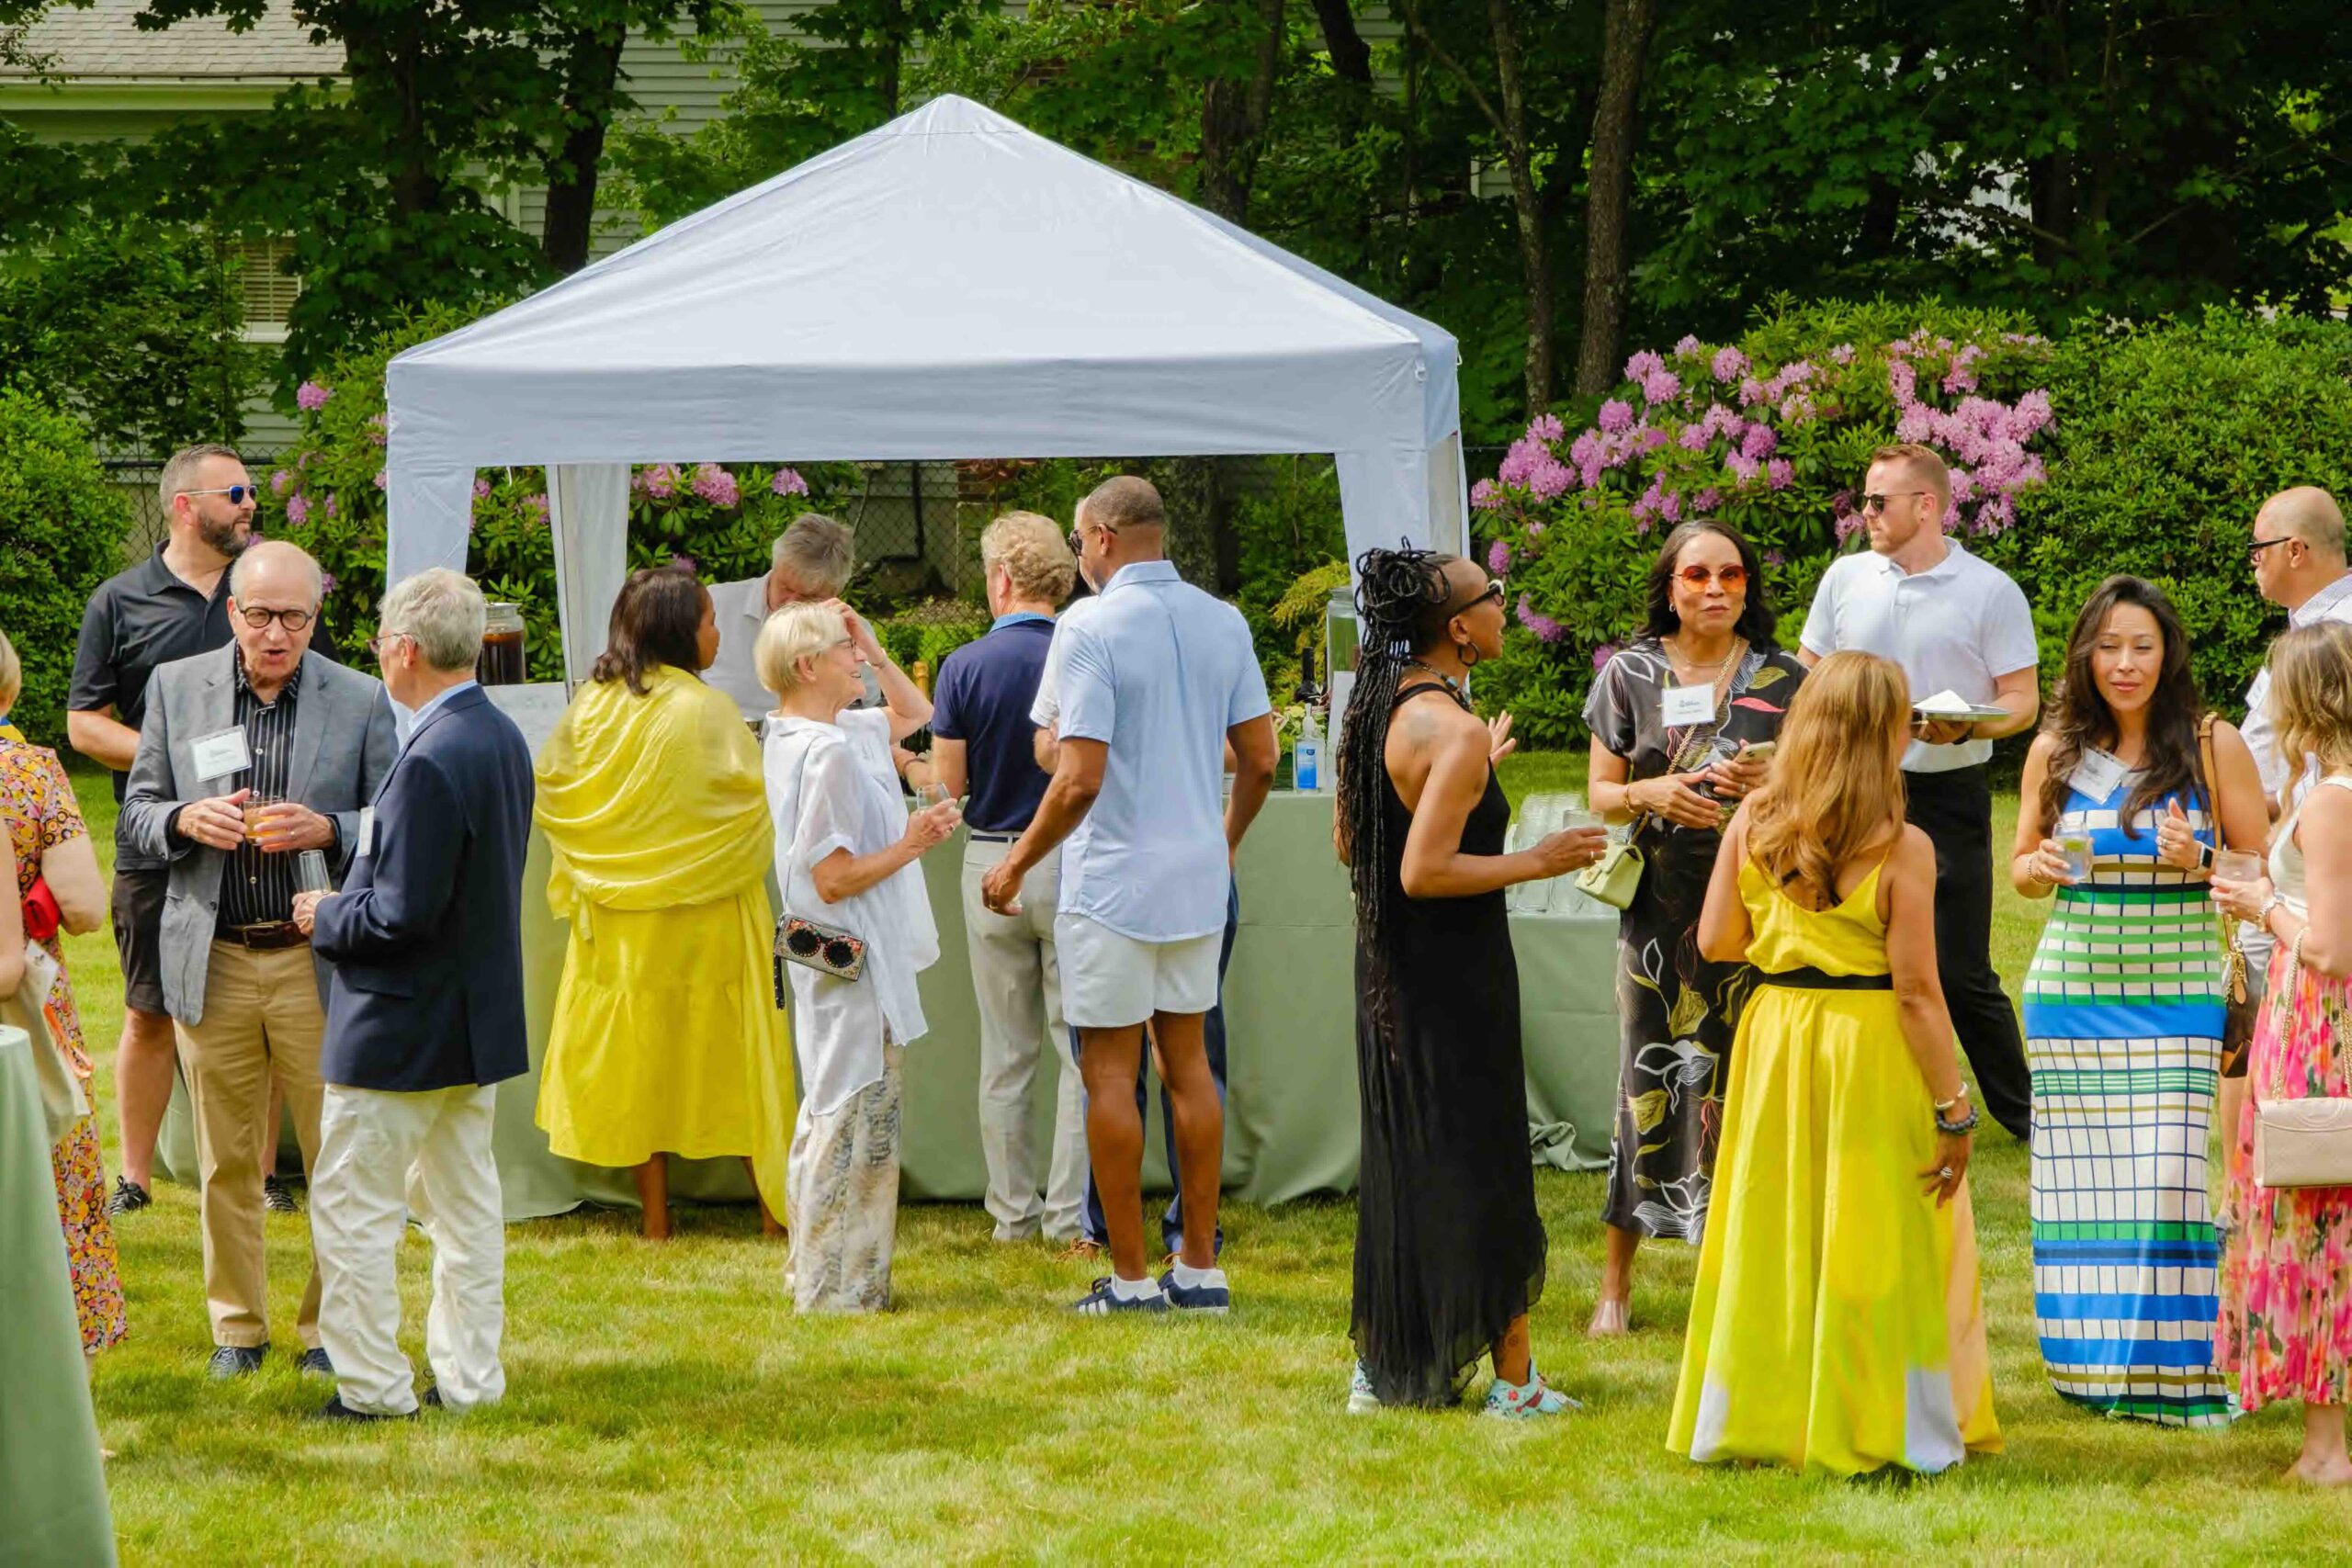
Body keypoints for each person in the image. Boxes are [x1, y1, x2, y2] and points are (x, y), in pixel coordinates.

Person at [1671, 650, 2001, 1475]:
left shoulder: (1753, 821)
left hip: (1776, 1034)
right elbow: (1918, 992)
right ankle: (1879, 1413)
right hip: (1867, 1040)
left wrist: (1791, 937)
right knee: (1879, 1226)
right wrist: (1955, 1106)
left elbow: (1717, 940)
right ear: (1884, 734)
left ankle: (1762, 1410)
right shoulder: (1903, 845)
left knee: (1775, 1222)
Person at [980, 476, 1277, 1314]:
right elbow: (1260, 758)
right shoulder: (1224, 619)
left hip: (1112, 880)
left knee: (1108, 1072)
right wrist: (1225, 840)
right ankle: (1201, 1268)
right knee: (1189, 1066)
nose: (1079, 556)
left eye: (1079, 541)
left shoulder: (1089, 624)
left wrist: (1013, 864)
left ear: (1102, 537)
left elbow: (1078, 777)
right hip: (1196, 877)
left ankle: (1133, 1278)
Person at [1335, 547, 1606, 1416]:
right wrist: (1538, 858)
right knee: (1482, 1159)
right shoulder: (1450, 729)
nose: (1503, 606)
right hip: (1453, 972)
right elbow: (1423, 870)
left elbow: (1351, 842)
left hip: (1388, 967)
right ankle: (1515, 1384)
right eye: (1494, 596)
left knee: (1408, 1154)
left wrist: (1474, 769)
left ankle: (1384, 1365)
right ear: (1459, 627)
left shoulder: (1379, 706)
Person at [118, 541, 397, 1378]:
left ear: (317, 615)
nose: (277, 634)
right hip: (219, 954)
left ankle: (329, 1329)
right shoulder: (177, 688)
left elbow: (392, 822)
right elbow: (135, 812)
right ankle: (237, 1330)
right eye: (262, 615)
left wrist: (330, 829)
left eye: (295, 617)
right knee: (226, 1162)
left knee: (336, 1157)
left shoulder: (360, 698)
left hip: (317, 958)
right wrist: (182, 821)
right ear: (233, 612)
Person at [2008, 578, 2266, 1427]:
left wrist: (2203, 859)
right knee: (2080, 1191)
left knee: (2168, 1180)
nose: (2125, 663)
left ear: (2168, 653)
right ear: (2086, 654)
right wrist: (2040, 866)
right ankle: (2087, 1365)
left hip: (2177, 990)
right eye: (2109, 646)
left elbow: (2260, 866)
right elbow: (2020, 866)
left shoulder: (2210, 742)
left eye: (2142, 646)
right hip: (2073, 992)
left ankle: (2176, 1371)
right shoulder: (2056, 748)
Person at [289, 569, 535, 1422]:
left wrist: (325, 913)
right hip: (471, 1022)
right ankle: (470, 1379)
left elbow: (401, 914)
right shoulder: (498, 733)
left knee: (356, 1213)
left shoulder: (432, 754)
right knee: (465, 1212)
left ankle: (372, 1388)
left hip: (400, 1027)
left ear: (403, 650)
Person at [1583, 520, 1805, 1336]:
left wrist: (1770, 781)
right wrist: (1650, 792)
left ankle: (1740, 1270)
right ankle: (1616, 1281)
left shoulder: (1787, 676)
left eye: (1732, 575)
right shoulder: (1629, 673)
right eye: (1699, 575)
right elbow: (1601, 793)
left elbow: (1818, 781)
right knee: (1644, 1078)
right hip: (1658, 910)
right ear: (1670, 587)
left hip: (1757, 906)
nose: (1716, 589)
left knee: (1745, 1076)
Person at [533, 566, 792, 1241]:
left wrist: (610, 861)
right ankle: (773, 1211)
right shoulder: (706, 710)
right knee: (734, 1060)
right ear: (681, 632)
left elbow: (554, 788)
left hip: (620, 926)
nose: (718, 634)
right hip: (706, 917)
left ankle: (655, 1219)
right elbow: (755, 808)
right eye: (710, 621)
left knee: (638, 1064)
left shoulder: (592, 704)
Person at [1799, 443, 2041, 1143]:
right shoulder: (1845, 578)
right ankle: (1870, 1102)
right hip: (1850, 788)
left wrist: (1971, 725)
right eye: (1864, 500)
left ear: (1927, 506)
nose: (1865, 513)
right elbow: (1809, 674)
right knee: (1849, 952)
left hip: (1947, 789)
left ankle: (2027, 1117)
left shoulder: (1990, 590)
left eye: (1879, 501)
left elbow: (2022, 699)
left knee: (1960, 968)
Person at [66, 443, 250, 1216]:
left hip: (250, 831)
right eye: (234, 492)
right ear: (184, 505)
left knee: (254, 1005)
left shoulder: (265, 591)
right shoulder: (119, 600)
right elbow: (83, 723)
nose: (249, 503)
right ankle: (135, 1178)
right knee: (148, 1009)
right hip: (154, 835)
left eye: (250, 491)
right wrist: (168, 757)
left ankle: (264, 1173)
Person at [760, 602, 957, 1310]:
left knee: (829, 1106)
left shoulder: (800, 733)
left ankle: (822, 1274)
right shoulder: (829, 752)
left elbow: (916, 714)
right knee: (854, 1113)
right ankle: (838, 1287)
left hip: (823, 950)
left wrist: (872, 647)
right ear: (808, 665)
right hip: (851, 952)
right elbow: (834, 876)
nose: (856, 659)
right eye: (844, 649)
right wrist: (912, 842)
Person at [2211, 619, 2352, 1486]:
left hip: (2324, 1024)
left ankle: (2328, 1448)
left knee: (2318, 1211)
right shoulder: (2322, 787)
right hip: (2306, 1015)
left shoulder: (2334, 799)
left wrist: (2260, 905)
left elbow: (2334, 946)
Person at [931, 513, 1089, 1245]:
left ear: (1000, 579)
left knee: (1007, 1051)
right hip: (1075, 855)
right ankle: (1069, 1214)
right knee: (1080, 1049)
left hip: (993, 856)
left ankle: (1012, 1213)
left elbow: (948, 788)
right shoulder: (1086, 653)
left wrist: (907, 760)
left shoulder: (964, 667)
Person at [0, 627, 126, 1363]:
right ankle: (56, 1339)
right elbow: (83, 908)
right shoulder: (32, 771)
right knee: (48, 1157)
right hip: (27, 1006)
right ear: (10, 686)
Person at [2229, 488, 2352, 1170]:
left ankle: (2268, 1185)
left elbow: (2331, 951)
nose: (2253, 563)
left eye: (2257, 550)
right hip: (2295, 845)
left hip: (2311, 874)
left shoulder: (2329, 636)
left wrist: (2264, 902)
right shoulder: (2312, 627)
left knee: (2303, 1095)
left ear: (2295, 550)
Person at [705, 511, 886, 720]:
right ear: (775, 567)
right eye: (785, 587)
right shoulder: (715, 606)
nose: (790, 603)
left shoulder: (854, 633)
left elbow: (869, 712)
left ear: (835, 592)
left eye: (808, 597)